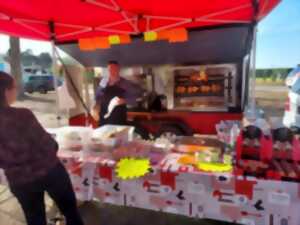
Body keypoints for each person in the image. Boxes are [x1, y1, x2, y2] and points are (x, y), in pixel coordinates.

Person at [0, 71, 84, 225]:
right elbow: (48, 144)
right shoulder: (22, 115)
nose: (16, 91)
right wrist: (54, 144)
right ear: (5, 91)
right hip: (49, 172)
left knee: (35, 220)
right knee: (71, 214)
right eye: (14, 87)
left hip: (19, 181)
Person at [92, 61, 144, 126]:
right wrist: (95, 107)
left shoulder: (125, 83)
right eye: (110, 69)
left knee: (118, 134)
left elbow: (137, 96)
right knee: (104, 135)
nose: (112, 71)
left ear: (118, 69)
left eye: (114, 69)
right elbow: (98, 96)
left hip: (118, 117)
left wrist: (124, 100)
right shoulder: (103, 81)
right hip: (104, 116)